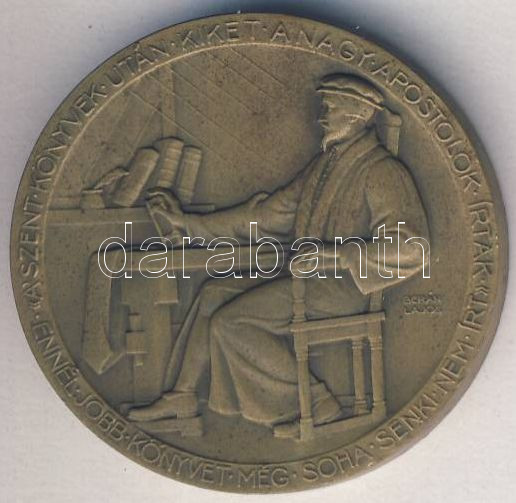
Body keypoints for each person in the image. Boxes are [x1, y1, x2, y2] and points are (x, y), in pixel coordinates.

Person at [128, 74, 429, 438]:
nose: (321, 117)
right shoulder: (325, 165)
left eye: (331, 108)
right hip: (308, 281)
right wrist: (187, 223)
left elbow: (412, 249)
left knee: (232, 322)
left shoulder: (383, 171)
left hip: (344, 290)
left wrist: (333, 256)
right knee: (212, 295)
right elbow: (267, 216)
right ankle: (183, 396)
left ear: (358, 115)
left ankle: (317, 402)